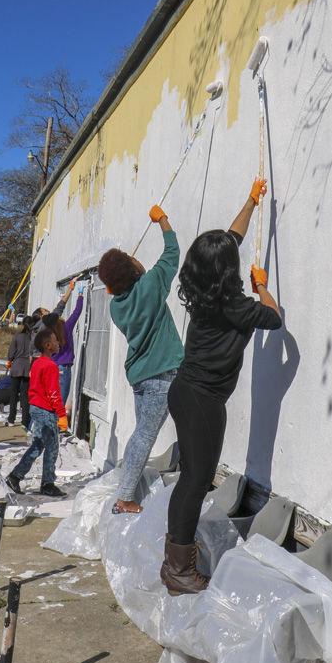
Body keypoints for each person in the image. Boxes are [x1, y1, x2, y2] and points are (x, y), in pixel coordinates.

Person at [160, 178, 282, 596]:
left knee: (191, 478)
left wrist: (251, 200)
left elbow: (232, 236)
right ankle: (178, 568)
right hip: (203, 401)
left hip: (186, 392)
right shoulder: (237, 305)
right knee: (196, 480)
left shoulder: (206, 290)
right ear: (228, 271)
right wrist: (262, 283)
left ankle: (174, 561)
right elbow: (275, 318)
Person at [98, 204, 184, 515]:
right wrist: (162, 219)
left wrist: (130, 268)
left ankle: (129, 486)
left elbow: (134, 284)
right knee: (145, 434)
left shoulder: (116, 307)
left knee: (141, 432)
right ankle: (125, 497)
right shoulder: (151, 285)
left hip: (138, 375)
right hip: (162, 374)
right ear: (134, 271)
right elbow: (172, 251)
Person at [5, 328, 68, 498]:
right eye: (55, 340)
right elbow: (53, 392)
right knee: (52, 447)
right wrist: (61, 414)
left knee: (38, 444)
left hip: (36, 407)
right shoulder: (50, 366)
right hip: (46, 410)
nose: (58, 343)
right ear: (48, 346)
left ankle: (15, 476)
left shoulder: (38, 363)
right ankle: (47, 483)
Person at [43, 285, 85, 404]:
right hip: (64, 368)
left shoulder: (47, 334)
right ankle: (55, 422)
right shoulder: (66, 327)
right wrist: (80, 295)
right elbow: (77, 312)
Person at [30, 278, 79, 356]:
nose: (48, 311)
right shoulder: (46, 322)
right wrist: (70, 288)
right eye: (45, 310)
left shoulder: (34, 330)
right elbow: (60, 307)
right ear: (41, 315)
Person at [6, 316, 32, 428]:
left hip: (16, 366)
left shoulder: (17, 337)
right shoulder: (33, 337)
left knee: (13, 394)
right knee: (25, 395)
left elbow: (10, 354)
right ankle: (25, 421)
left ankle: (11, 418)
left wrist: (10, 359)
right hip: (28, 367)